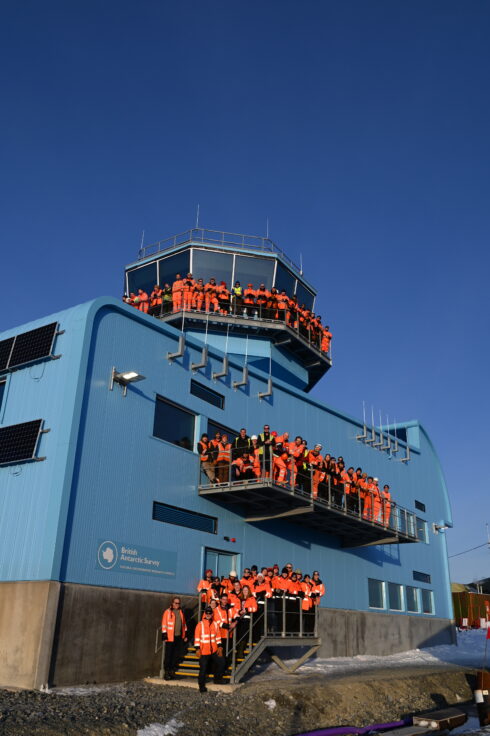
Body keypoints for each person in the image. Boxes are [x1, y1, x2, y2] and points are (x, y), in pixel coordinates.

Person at [194, 606, 226, 692]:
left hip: (214, 650)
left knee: (222, 662)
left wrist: (220, 646)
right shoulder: (200, 625)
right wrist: (197, 649)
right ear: (205, 613)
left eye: (210, 613)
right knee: (203, 668)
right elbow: (197, 638)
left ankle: (217, 679)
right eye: (207, 613)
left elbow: (218, 636)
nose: (208, 614)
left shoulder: (215, 624)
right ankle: (201, 685)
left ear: (212, 614)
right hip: (203, 651)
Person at [161, 596, 187, 680]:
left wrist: (185, 635)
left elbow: (184, 624)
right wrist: (164, 634)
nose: (177, 604)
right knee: (168, 655)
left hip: (178, 637)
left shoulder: (181, 612)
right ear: (172, 603)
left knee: (176, 655)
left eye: (178, 603)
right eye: (176, 603)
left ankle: (172, 671)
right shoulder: (167, 612)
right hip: (170, 637)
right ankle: (166, 672)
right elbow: (164, 623)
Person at [235, 585, 258, 658]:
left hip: (247, 619)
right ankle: (236, 651)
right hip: (239, 619)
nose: (245, 591)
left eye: (246, 590)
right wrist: (239, 611)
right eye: (244, 590)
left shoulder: (251, 598)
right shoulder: (239, 598)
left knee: (243, 636)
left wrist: (247, 610)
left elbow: (255, 608)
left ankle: (240, 653)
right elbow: (235, 608)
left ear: (249, 591)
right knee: (238, 635)